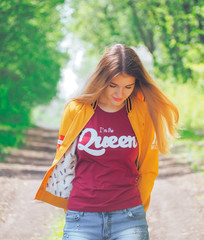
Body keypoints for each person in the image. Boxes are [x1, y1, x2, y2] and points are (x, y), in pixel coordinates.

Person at [35, 44, 179, 240]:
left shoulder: (141, 112)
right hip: (81, 217)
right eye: (113, 85)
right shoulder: (75, 109)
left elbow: (148, 169)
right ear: (102, 79)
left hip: (128, 217)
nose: (120, 94)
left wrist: (137, 210)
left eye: (128, 86)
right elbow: (66, 163)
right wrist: (72, 212)